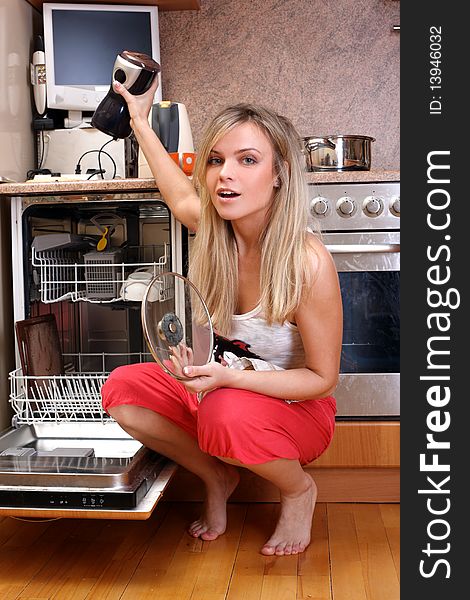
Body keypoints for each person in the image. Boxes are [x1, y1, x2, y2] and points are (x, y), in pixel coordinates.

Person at [101, 76, 343, 556]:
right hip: (222, 387)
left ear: (279, 174)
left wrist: (227, 381)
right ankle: (216, 476)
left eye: (247, 160)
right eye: (215, 160)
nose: (223, 175)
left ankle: (298, 491)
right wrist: (138, 119)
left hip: (297, 409)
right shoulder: (215, 233)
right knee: (121, 390)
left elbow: (321, 379)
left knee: (223, 412)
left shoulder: (306, 263)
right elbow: (177, 193)